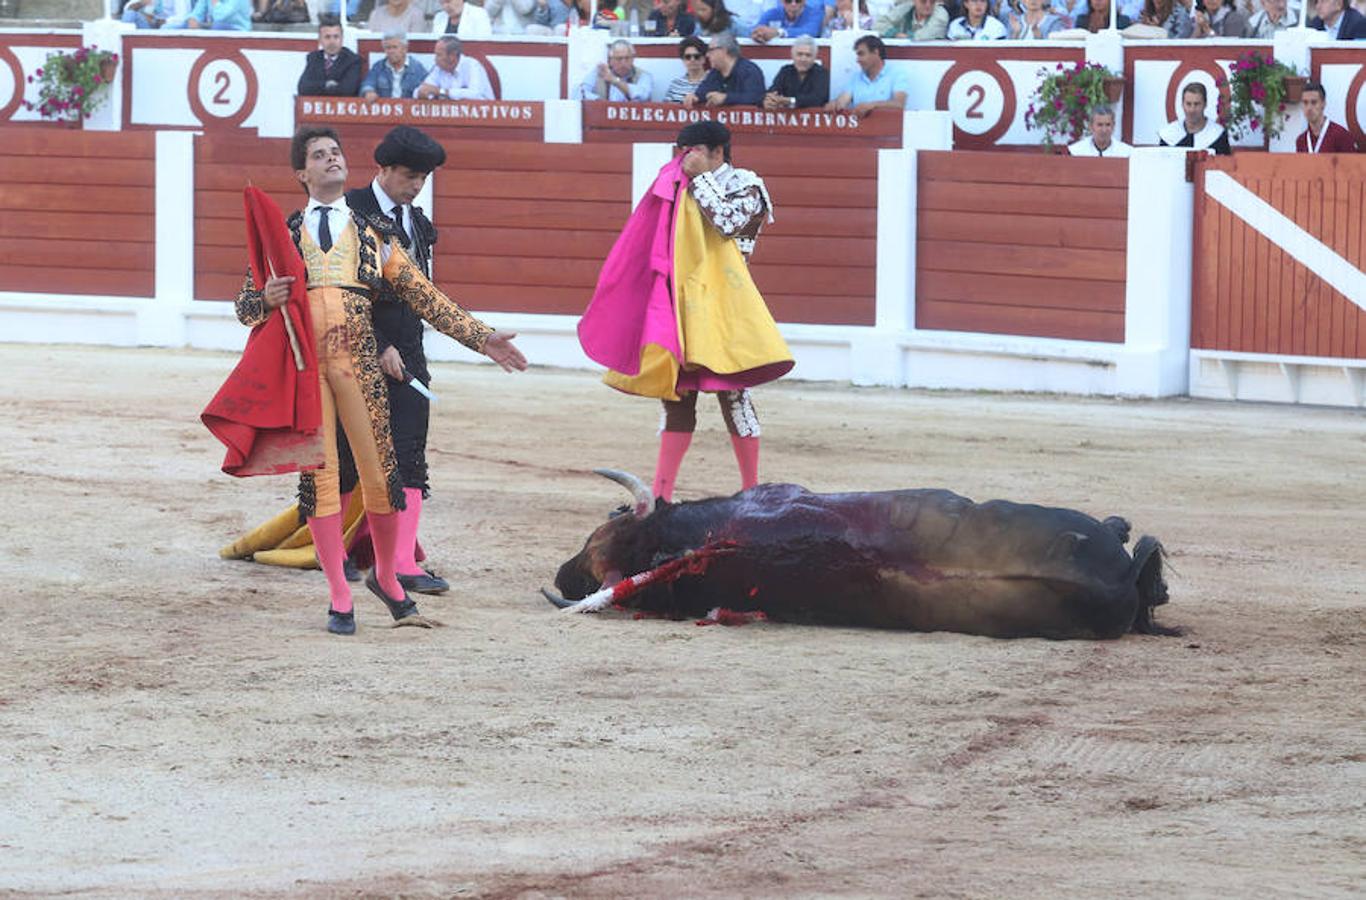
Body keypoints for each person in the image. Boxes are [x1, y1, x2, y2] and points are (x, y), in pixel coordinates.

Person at [236, 126, 525, 634]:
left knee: (381, 476)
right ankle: (339, 594)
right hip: (309, 372)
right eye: (319, 156)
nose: (332, 160)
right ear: (302, 173)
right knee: (321, 481)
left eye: (336, 153)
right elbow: (245, 307)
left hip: (360, 364)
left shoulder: (373, 232)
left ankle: (387, 577)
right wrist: (268, 300)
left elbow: (424, 296)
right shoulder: (284, 233)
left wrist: (481, 338)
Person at [578, 121, 790, 502]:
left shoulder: (746, 183)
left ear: (717, 152)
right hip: (681, 302)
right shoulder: (679, 182)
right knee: (675, 395)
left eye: (692, 151)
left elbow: (729, 224)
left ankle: (752, 493)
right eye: (682, 151)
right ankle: (661, 498)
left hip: (726, 306)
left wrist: (698, 181)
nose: (684, 159)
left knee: (735, 395)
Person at [827, 35, 908, 116]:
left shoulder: (897, 74)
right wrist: (834, 104)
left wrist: (872, 105)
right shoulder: (856, 78)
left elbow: (899, 104)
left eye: (861, 54)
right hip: (860, 128)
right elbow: (842, 101)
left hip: (887, 126)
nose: (857, 60)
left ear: (876, 52)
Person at [683, 33, 765, 109]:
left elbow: (756, 98)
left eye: (711, 50)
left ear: (723, 50)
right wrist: (694, 97)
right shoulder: (714, 72)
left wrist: (726, 98)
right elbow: (703, 92)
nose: (707, 55)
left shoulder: (749, 71)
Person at [297, 17, 362, 98]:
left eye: (336, 37)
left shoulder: (353, 60)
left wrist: (317, 87)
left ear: (342, 38)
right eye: (327, 37)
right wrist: (327, 84)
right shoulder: (313, 58)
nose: (332, 42)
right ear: (320, 40)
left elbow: (347, 90)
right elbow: (303, 88)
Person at [1158, 82, 1230, 154]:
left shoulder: (1218, 135)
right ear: (1182, 104)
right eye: (1188, 104)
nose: (1192, 110)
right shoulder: (1169, 134)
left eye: (1197, 104)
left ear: (1205, 104)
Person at [415, 36, 495, 100]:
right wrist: (422, 93)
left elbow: (475, 94)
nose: (435, 59)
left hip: (483, 117)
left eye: (439, 55)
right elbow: (421, 90)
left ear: (452, 55)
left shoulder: (472, 65)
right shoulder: (438, 68)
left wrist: (441, 92)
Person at [763, 36, 830, 110]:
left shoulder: (822, 73)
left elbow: (817, 99)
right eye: (799, 54)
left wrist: (789, 101)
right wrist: (768, 101)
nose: (803, 59)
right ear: (792, 55)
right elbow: (773, 91)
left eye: (808, 55)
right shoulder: (785, 71)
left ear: (814, 57)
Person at [360, 33, 429, 100]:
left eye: (395, 47)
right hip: (385, 110)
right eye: (388, 48)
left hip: (407, 110)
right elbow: (368, 83)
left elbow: (427, 89)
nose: (391, 51)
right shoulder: (378, 67)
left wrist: (424, 93)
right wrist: (368, 92)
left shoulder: (417, 68)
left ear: (405, 49)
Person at [579, 39, 654, 101]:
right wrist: (599, 102)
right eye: (619, 59)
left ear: (633, 59)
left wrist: (615, 80)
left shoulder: (644, 76)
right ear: (610, 60)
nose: (623, 62)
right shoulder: (599, 72)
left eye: (627, 58)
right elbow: (579, 93)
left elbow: (643, 95)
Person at [1296, 81, 1361, 152]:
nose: (1309, 108)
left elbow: (1352, 163)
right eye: (1305, 103)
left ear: (1323, 104)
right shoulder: (1301, 141)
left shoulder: (1341, 135)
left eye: (1314, 102)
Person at [1068, 106, 1132, 156]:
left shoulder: (1126, 152)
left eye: (1108, 125)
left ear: (1113, 126)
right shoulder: (1076, 151)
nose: (1104, 130)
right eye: (1100, 125)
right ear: (1091, 126)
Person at [663, 36, 709, 103]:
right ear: (683, 60)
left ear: (704, 59)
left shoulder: (713, 83)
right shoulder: (675, 84)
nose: (692, 60)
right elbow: (666, 109)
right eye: (688, 57)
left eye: (696, 56)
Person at [751, 0, 826, 41]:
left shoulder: (815, 13)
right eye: (788, 1)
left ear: (804, 1)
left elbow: (810, 32)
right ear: (781, 1)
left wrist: (779, 32)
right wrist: (758, 34)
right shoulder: (772, 13)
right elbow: (757, 28)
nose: (793, 4)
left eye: (798, 1)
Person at [877, 0, 949, 36]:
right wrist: (894, 33)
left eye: (932, 1)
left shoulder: (941, 12)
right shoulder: (905, 8)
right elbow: (879, 24)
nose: (928, 5)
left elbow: (929, 34)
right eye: (923, 1)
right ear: (914, 1)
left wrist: (907, 37)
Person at [1002, 0, 1066, 37]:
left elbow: (1055, 50)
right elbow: (1006, 51)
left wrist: (1038, 37)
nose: (1033, 0)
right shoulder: (1015, 21)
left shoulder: (1054, 22)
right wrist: (1016, 33)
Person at [186, 0, 252, 29]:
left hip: (237, 30)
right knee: (180, 26)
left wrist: (215, 1)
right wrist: (192, 19)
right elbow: (197, 12)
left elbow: (220, 17)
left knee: (218, 26)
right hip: (216, 29)